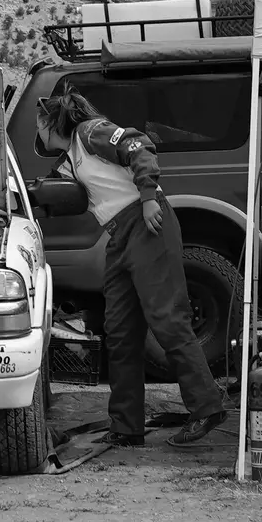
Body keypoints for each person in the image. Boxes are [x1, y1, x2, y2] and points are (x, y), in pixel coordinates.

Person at [34, 91, 225, 447]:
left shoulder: (91, 133)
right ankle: (126, 426)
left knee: (167, 319)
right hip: (119, 236)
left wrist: (149, 198)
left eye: (37, 125)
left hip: (147, 222)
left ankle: (206, 407)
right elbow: (53, 194)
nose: (37, 132)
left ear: (48, 122)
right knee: (120, 331)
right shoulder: (69, 159)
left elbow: (138, 145)